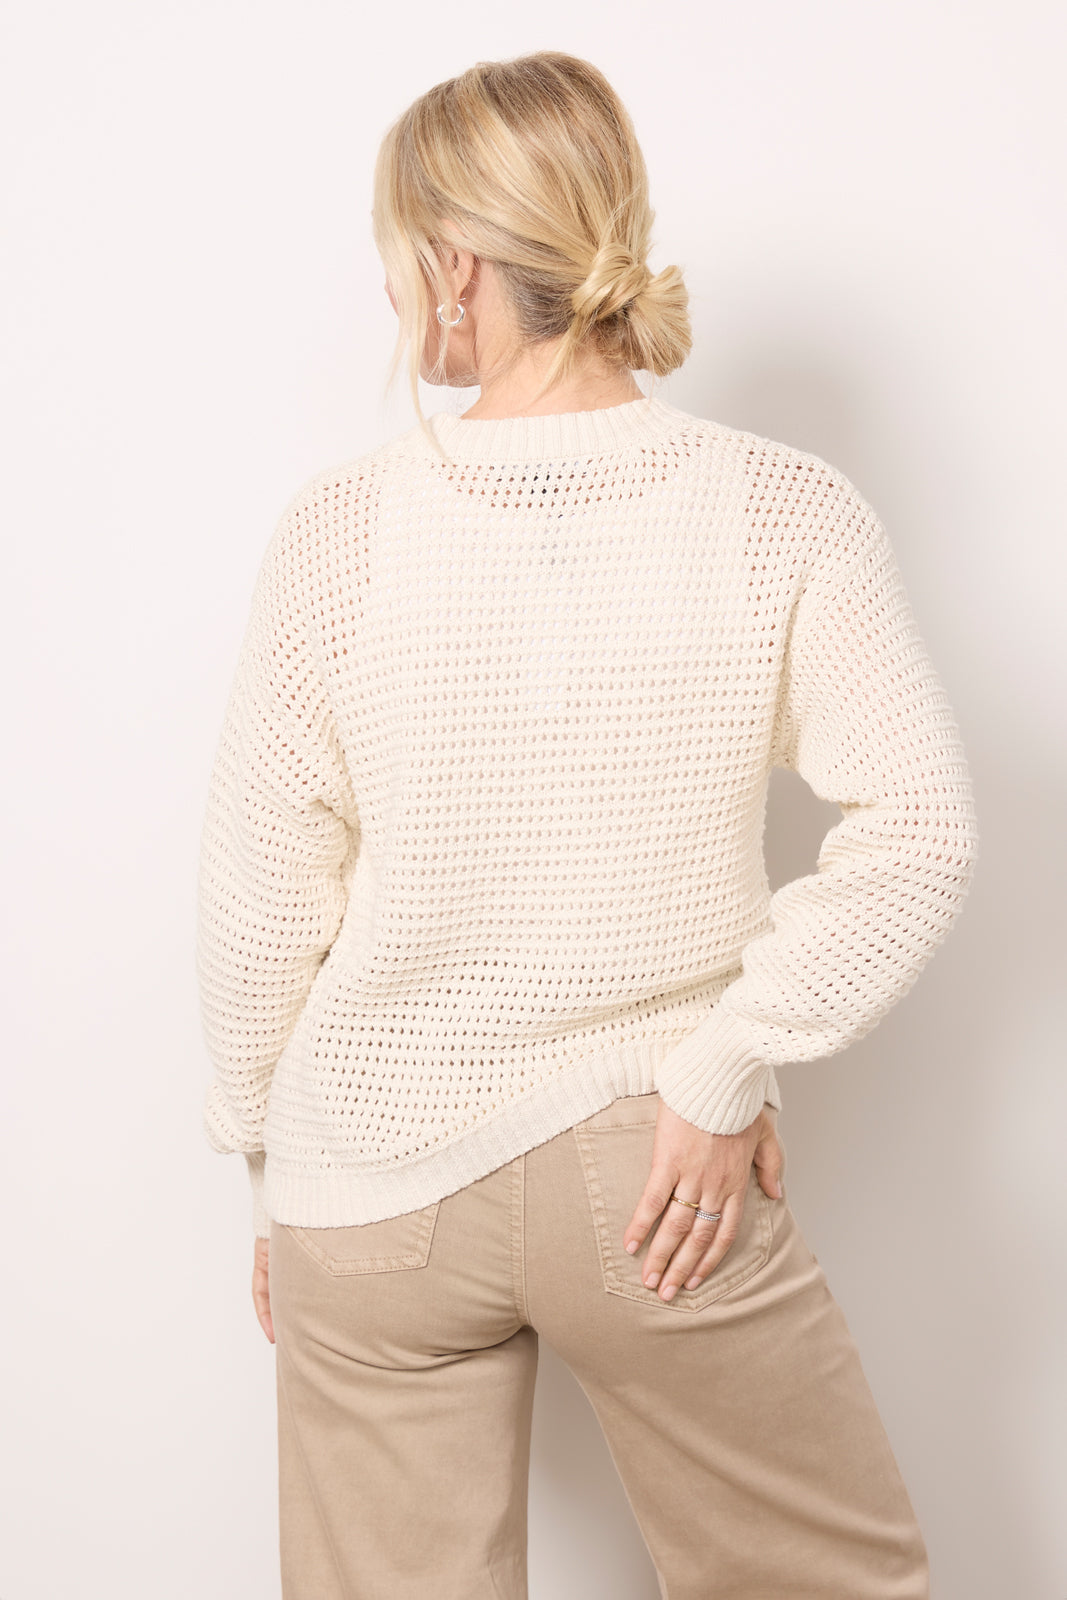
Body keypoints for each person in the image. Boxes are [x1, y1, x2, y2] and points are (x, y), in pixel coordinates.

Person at [195, 50, 978, 1600]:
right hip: (655, 1168)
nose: (390, 292)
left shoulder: (340, 533)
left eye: (397, 255)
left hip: (372, 1181)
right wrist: (724, 1065)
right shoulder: (780, 509)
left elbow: (257, 899)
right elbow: (922, 830)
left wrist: (275, 1172)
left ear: (455, 265)